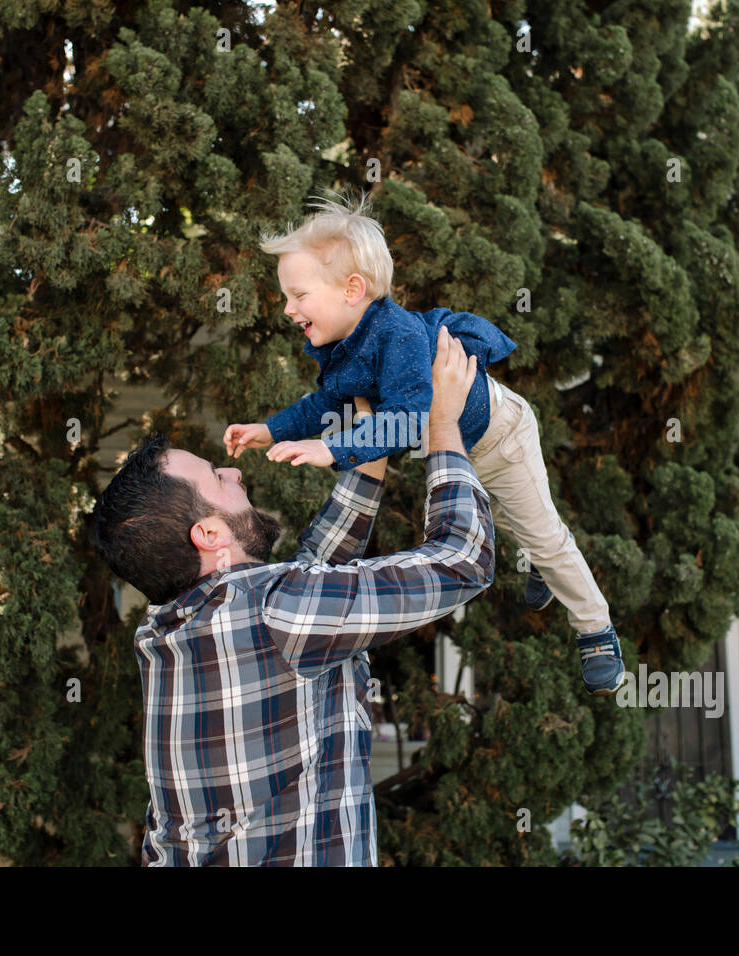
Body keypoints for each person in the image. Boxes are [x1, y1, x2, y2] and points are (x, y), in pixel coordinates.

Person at [91, 328, 493, 865]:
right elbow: (463, 560)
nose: (233, 470)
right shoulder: (273, 609)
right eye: (217, 477)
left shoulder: (164, 634)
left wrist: (371, 437)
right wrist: (443, 423)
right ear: (209, 534)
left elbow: (315, 577)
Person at [225, 189, 625, 695]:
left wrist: (332, 449)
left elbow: (408, 421)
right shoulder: (345, 347)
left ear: (353, 289)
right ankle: (541, 565)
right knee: (508, 519)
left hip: (500, 437)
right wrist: (270, 429)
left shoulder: (401, 339)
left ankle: (596, 629)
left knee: (544, 534)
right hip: (455, 449)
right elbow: (324, 403)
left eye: (298, 295)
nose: (287, 309)